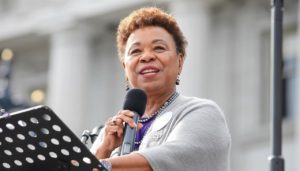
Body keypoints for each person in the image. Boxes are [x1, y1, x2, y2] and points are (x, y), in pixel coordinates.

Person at [90, 7, 231, 171]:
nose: (147, 56)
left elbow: (172, 159)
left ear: (179, 62)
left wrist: (102, 165)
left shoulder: (202, 113)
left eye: (159, 48)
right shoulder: (110, 133)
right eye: (136, 51)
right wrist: (103, 149)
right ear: (125, 68)